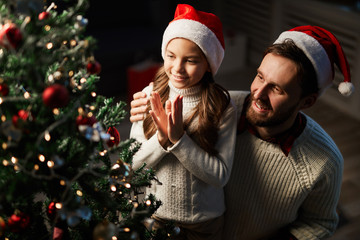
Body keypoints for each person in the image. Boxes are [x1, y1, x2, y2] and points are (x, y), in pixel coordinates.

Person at [129, 25, 354, 240]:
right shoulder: (219, 108)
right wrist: (143, 105)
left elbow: (321, 223)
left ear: (307, 101)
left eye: (277, 88)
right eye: (260, 76)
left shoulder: (326, 161)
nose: (258, 94)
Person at [129, 4, 237, 240]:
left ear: (209, 64)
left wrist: (179, 140)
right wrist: (161, 140)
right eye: (171, 56)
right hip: (155, 216)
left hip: (204, 222)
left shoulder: (222, 108)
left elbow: (220, 175)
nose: (177, 68)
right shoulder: (148, 97)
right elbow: (133, 163)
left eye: (191, 60)